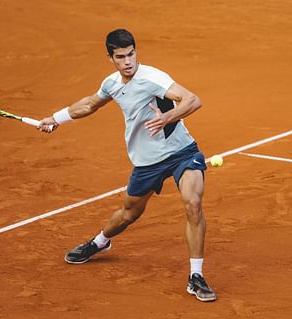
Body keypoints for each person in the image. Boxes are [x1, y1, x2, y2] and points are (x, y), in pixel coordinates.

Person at [38, 28, 216, 302]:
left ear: (136, 52)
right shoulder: (112, 84)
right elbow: (88, 105)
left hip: (181, 151)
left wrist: (168, 117)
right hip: (147, 162)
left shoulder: (153, 78)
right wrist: (55, 118)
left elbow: (193, 100)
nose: (128, 61)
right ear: (111, 58)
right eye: (120, 57)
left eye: (131, 54)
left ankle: (196, 276)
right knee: (128, 214)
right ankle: (100, 242)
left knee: (192, 202)